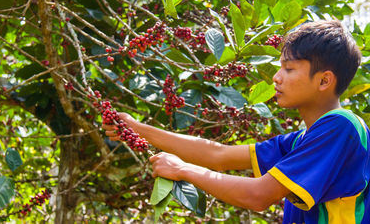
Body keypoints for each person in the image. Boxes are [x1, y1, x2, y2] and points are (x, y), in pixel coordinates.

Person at [103, 20, 370, 224]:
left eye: (289, 69)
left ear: (324, 80)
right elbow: (218, 155)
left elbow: (259, 196)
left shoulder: (341, 126)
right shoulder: (303, 140)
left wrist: (183, 169)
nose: (276, 77)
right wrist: (137, 129)